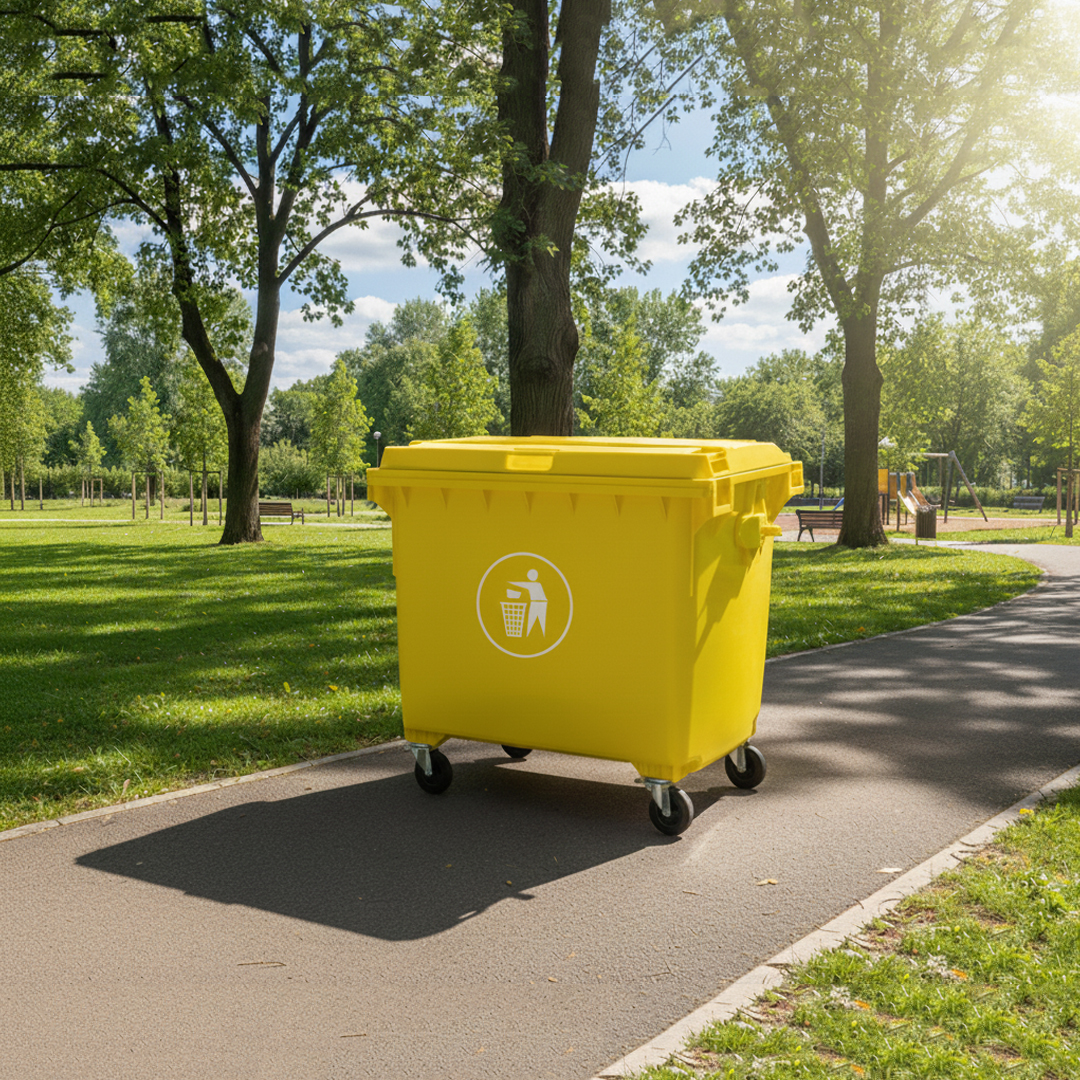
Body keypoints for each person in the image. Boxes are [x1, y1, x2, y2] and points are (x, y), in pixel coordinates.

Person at [508, 569, 547, 637]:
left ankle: (540, 635)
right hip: (538, 602)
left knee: (537, 620)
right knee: (534, 620)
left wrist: (510, 582)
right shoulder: (537, 584)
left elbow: (523, 584)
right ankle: (529, 634)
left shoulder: (536, 584)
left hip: (538, 603)